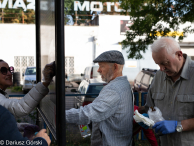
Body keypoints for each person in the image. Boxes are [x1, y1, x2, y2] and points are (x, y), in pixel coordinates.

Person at [66, 50, 133, 146]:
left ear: (115, 67)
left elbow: (88, 114)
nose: (98, 70)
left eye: (102, 66)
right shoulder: (125, 84)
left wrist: (62, 115)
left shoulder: (114, 89)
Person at [139, 37, 194, 146]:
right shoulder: (159, 76)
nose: (161, 69)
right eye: (158, 64)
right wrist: (148, 117)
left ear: (179, 54)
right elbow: (150, 107)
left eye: (165, 63)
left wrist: (178, 125)